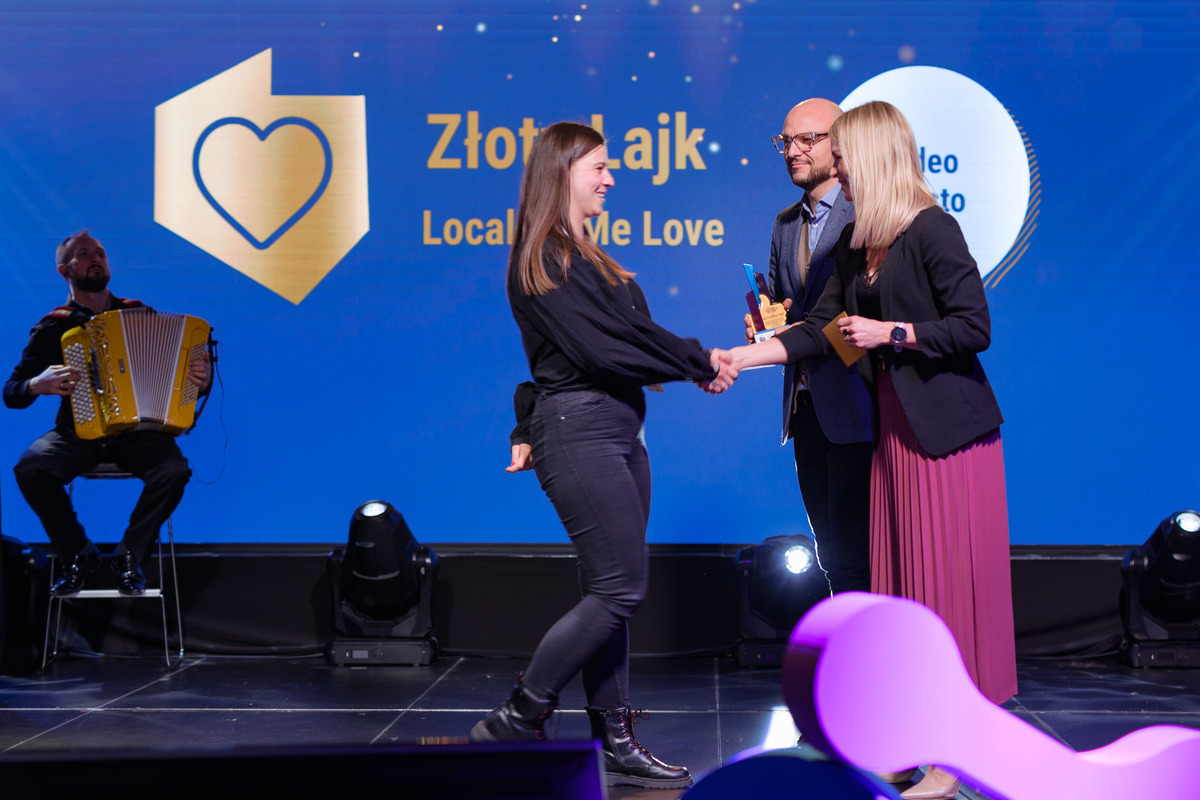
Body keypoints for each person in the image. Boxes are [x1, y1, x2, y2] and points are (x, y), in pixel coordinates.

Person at [720, 101, 1017, 800]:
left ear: (874, 157)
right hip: (896, 436)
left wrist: (894, 335)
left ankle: (951, 755)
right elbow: (820, 327)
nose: (837, 167)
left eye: (844, 154)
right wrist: (741, 356)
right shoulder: (860, 243)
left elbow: (974, 326)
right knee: (902, 595)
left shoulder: (932, 229)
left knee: (942, 596)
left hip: (947, 439)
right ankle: (904, 742)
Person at [470, 122, 734, 790]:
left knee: (610, 592)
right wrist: (697, 361)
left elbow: (616, 339)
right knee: (620, 588)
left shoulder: (584, 256)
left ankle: (612, 740)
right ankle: (518, 717)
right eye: (599, 167)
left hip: (618, 431)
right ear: (562, 171)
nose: (611, 179)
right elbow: (602, 351)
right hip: (581, 430)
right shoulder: (544, 257)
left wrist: (689, 362)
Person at [4, 230, 211, 598]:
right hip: (78, 432)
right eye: (84, 254)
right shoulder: (54, 326)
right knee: (31, 468)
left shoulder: (139, 313)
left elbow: (177, 376)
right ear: (64, 270)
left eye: (99, 252)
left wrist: (202, 379)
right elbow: (12, 393)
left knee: (174, 470)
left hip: (138, 433)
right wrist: (37, 384)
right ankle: (77, 554)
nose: (95, 258)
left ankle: (130, 557)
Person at [750, 98, 873, 594]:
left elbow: (860, 314)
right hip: (804, 408)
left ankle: (871, 638)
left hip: (859, 404)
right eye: (785, 142)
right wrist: (765, 326)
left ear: (840, 144)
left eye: (807, 140)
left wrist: (796, 337)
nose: (792, 151)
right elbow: (786, 309)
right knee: (830, 554)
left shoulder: (866, 211)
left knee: (858, 554)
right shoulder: (785, 224)